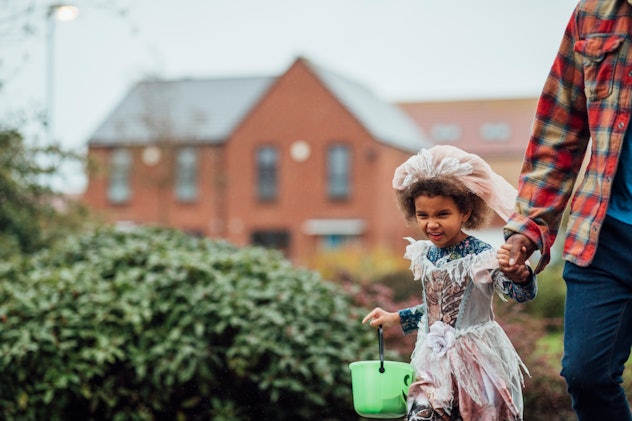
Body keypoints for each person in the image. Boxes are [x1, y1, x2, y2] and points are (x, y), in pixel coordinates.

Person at [500, 1, 632, 420]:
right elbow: (560, 130)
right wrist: (528, 227)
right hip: (605, 235)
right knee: (585, 374)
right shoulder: (594, 14)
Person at [362, 145, 537, 421]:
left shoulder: (483, 256)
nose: (432, 224)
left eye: (442, 214)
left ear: (465, 212)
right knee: (422, 416)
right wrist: (395, 317)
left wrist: (520, 275)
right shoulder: (426, 254)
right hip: (433, 361)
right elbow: (434, 309)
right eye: (423, 215)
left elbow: (520, 293)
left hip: (476, 363)